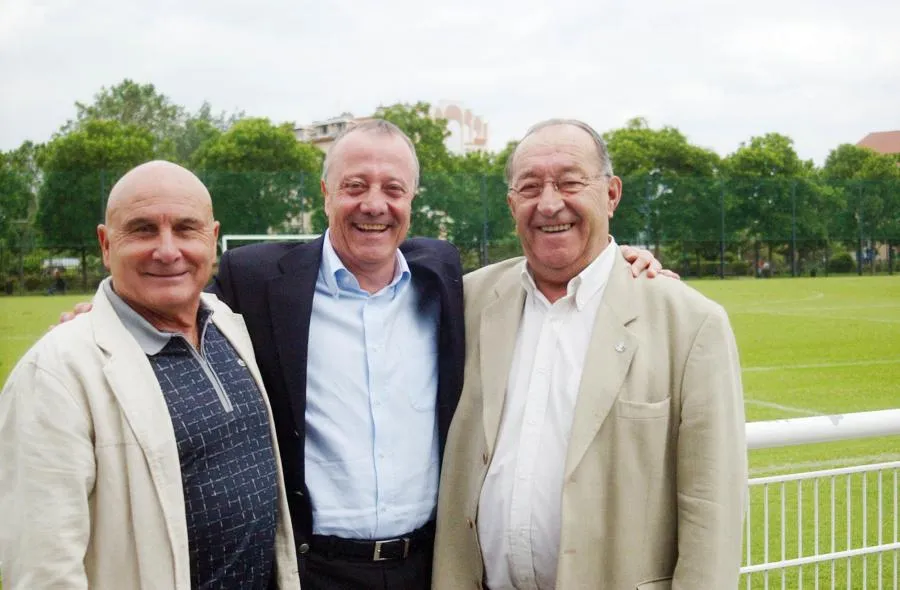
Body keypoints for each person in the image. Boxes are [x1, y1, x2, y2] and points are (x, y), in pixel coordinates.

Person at [55, 121, 667, 589]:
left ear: (412, 201)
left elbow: (555, 266)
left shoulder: (446, 276)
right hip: (312, 570)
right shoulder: (256, 278)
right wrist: (104, 311)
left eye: (392, 189)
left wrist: (623, 261)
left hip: (427, 568)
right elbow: (171, 293)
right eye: (355, 186)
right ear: (325, 193)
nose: (373, 203)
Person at [433, 119, 748, 590]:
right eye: (530, 186)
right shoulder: (468, 301)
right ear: (511, 203)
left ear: (612, 194)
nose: (549, 202)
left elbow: (713, 506)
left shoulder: (689, 323)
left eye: (570, 181)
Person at [0, 161, 299, 590]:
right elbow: (41, 569)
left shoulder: (229, 327)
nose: (166, 250)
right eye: (142, 230)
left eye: (185, 228)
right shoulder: (55, 374)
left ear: (212, 240)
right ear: (106, 244)